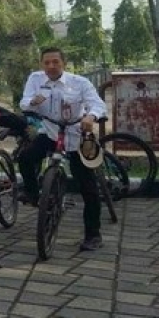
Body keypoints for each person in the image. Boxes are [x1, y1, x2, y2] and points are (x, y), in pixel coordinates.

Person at [19, 47, 107, 251]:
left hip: (75, 136)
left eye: (55, 62)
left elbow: (97, 104)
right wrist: (32, 102)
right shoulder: (35, 79)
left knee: (88, 186)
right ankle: (33, 194)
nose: (51, 66)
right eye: (47, 62)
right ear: (41, 64)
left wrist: (90, 116)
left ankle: (93, 234)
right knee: (25, 158)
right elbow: (24, 103)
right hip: (51, 133)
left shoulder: (79, 82)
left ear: (63, 63)